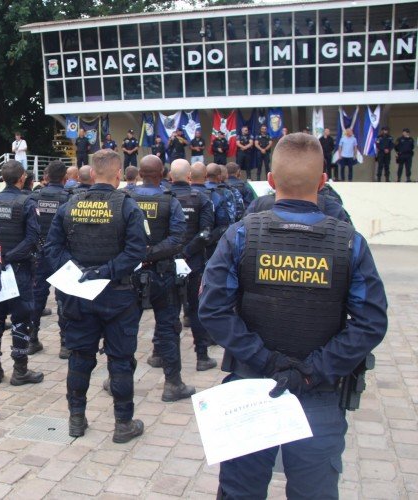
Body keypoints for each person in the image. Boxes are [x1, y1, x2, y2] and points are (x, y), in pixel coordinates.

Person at [199, 133, 388, 499]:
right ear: (323, 181)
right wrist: (315, 369)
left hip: (253, 386)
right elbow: (371, 322)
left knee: (240, 492)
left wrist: (266, 361)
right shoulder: (350, 242)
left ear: (270, 182)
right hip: (316, 390)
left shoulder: (240, 235)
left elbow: (213, 309)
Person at [45, 149, 147, 443]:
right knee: (121, 360)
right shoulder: (127, 207)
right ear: (118, 174)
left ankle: (76, 419)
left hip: (79, 296)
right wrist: (105, 271)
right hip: (118, 295)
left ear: (91, 173)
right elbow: (136, 251)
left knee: (79, 357)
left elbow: (52, 248)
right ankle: (123, 423)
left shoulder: (70, 205)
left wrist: (77, 271)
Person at [124, 155, 195, 402]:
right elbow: (177, 239)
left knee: (125, 328)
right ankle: (172, 383)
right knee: (168, 328)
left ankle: (117, 380)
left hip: (131, 273)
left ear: (140, 174)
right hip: (162, 273)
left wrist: (139, 255)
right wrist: (150, 255)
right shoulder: (170, 201)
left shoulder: (127, 198)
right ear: (162, 173)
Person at [0, 160, 44, 385]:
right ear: (22, 178)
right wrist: (9, 257)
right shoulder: (28, 202)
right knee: (21, 318)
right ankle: (20, 370)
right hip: (18, 271)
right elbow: (32, 239)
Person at [166, 159, 215, 372]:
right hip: (193, 261)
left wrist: (177, 253)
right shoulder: (202, 198)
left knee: (168, 311)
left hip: (169, 261)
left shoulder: (164, 198)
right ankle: (202, 356)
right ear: (189, 177)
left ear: (170, 177)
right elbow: (206, 234)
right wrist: (187, 253)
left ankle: (162, 355)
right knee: (196, 309)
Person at [29, 161, 71, 359]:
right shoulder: (70, 198)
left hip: (38, 253)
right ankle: (65, 343)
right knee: (63, 296)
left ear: (45, 178)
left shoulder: (33, 196)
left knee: (37, 295)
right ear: (65, 178)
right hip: (61, 254)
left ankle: (31, 338)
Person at [193, 163, 232, 259]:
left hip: (187, 246)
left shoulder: (183, 195)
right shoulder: (220, 194)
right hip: (210, 247)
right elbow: (224, 224)